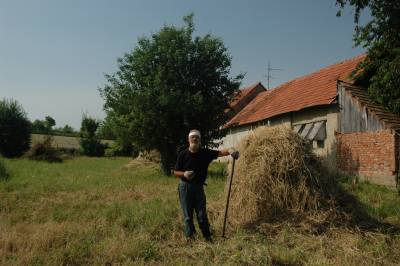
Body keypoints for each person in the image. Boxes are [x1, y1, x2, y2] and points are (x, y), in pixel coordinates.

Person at [173, 129, 239, 242]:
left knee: (202, 214)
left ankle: (207, 237)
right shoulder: (183, 154)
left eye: (197, 137)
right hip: (185, 187)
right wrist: (184, 173)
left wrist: (230, 150)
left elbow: (220, 153)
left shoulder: (205, 153)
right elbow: (175, 172)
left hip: (198, 188)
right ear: (188, 140)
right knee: (188, 216)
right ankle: (190, 238)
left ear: (199, 140)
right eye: (192, 137)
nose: (195, 139)